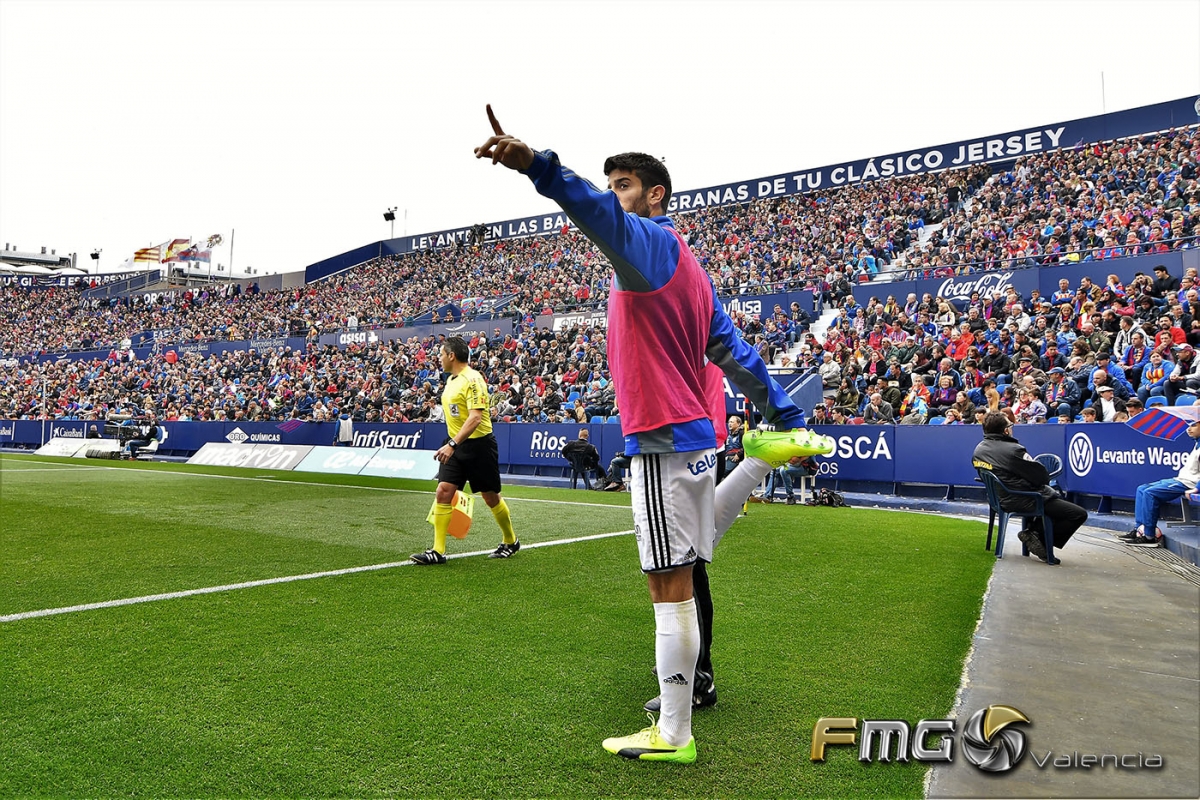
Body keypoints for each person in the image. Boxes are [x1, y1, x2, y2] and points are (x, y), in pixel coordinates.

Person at [474, 106, 832, 763]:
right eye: (611, 184)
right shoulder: (691, 270)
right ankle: (758, 459)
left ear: (654, 194)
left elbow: (596, 214)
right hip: (694, 440)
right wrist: (786, 415)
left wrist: (534, 164)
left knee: (670, 587)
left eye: (623, 185)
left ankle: (674, 734)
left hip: (663, 439)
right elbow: (739, 356)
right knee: (692, 563)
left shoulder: (648, 245)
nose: (615, 195)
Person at [411, 336, 519, 565]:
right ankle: (437, 551)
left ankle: (511, 540)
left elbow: (476, 418)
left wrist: (452, 445)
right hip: (455, 445)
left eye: (441, 354)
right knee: (443, 491)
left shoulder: (473, 379)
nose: (439, 358)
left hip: (479, 446)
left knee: (491, 498)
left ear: (451, 355)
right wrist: (452, 443)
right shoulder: (451, 380)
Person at [971, 411, 1088, 562]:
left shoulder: (979, 449)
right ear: (1006, 430)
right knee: (1078, 514)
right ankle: (1039, 538)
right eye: (1010, 425)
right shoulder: (1014, 450)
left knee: (1053, 503)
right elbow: (1041, 478)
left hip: (998, 499)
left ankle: (1033, 532)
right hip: (1025, 499)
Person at [1121, 418, 1200, 546]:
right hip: (1180, 479)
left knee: (1150, 493)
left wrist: (1197, 488)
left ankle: (1149, 536)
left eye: (1194, 426)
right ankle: (1139, 531)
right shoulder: (1197, 443)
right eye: (1188, 426)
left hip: (1188, 484)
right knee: (1141, 489)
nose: (1188, 429)